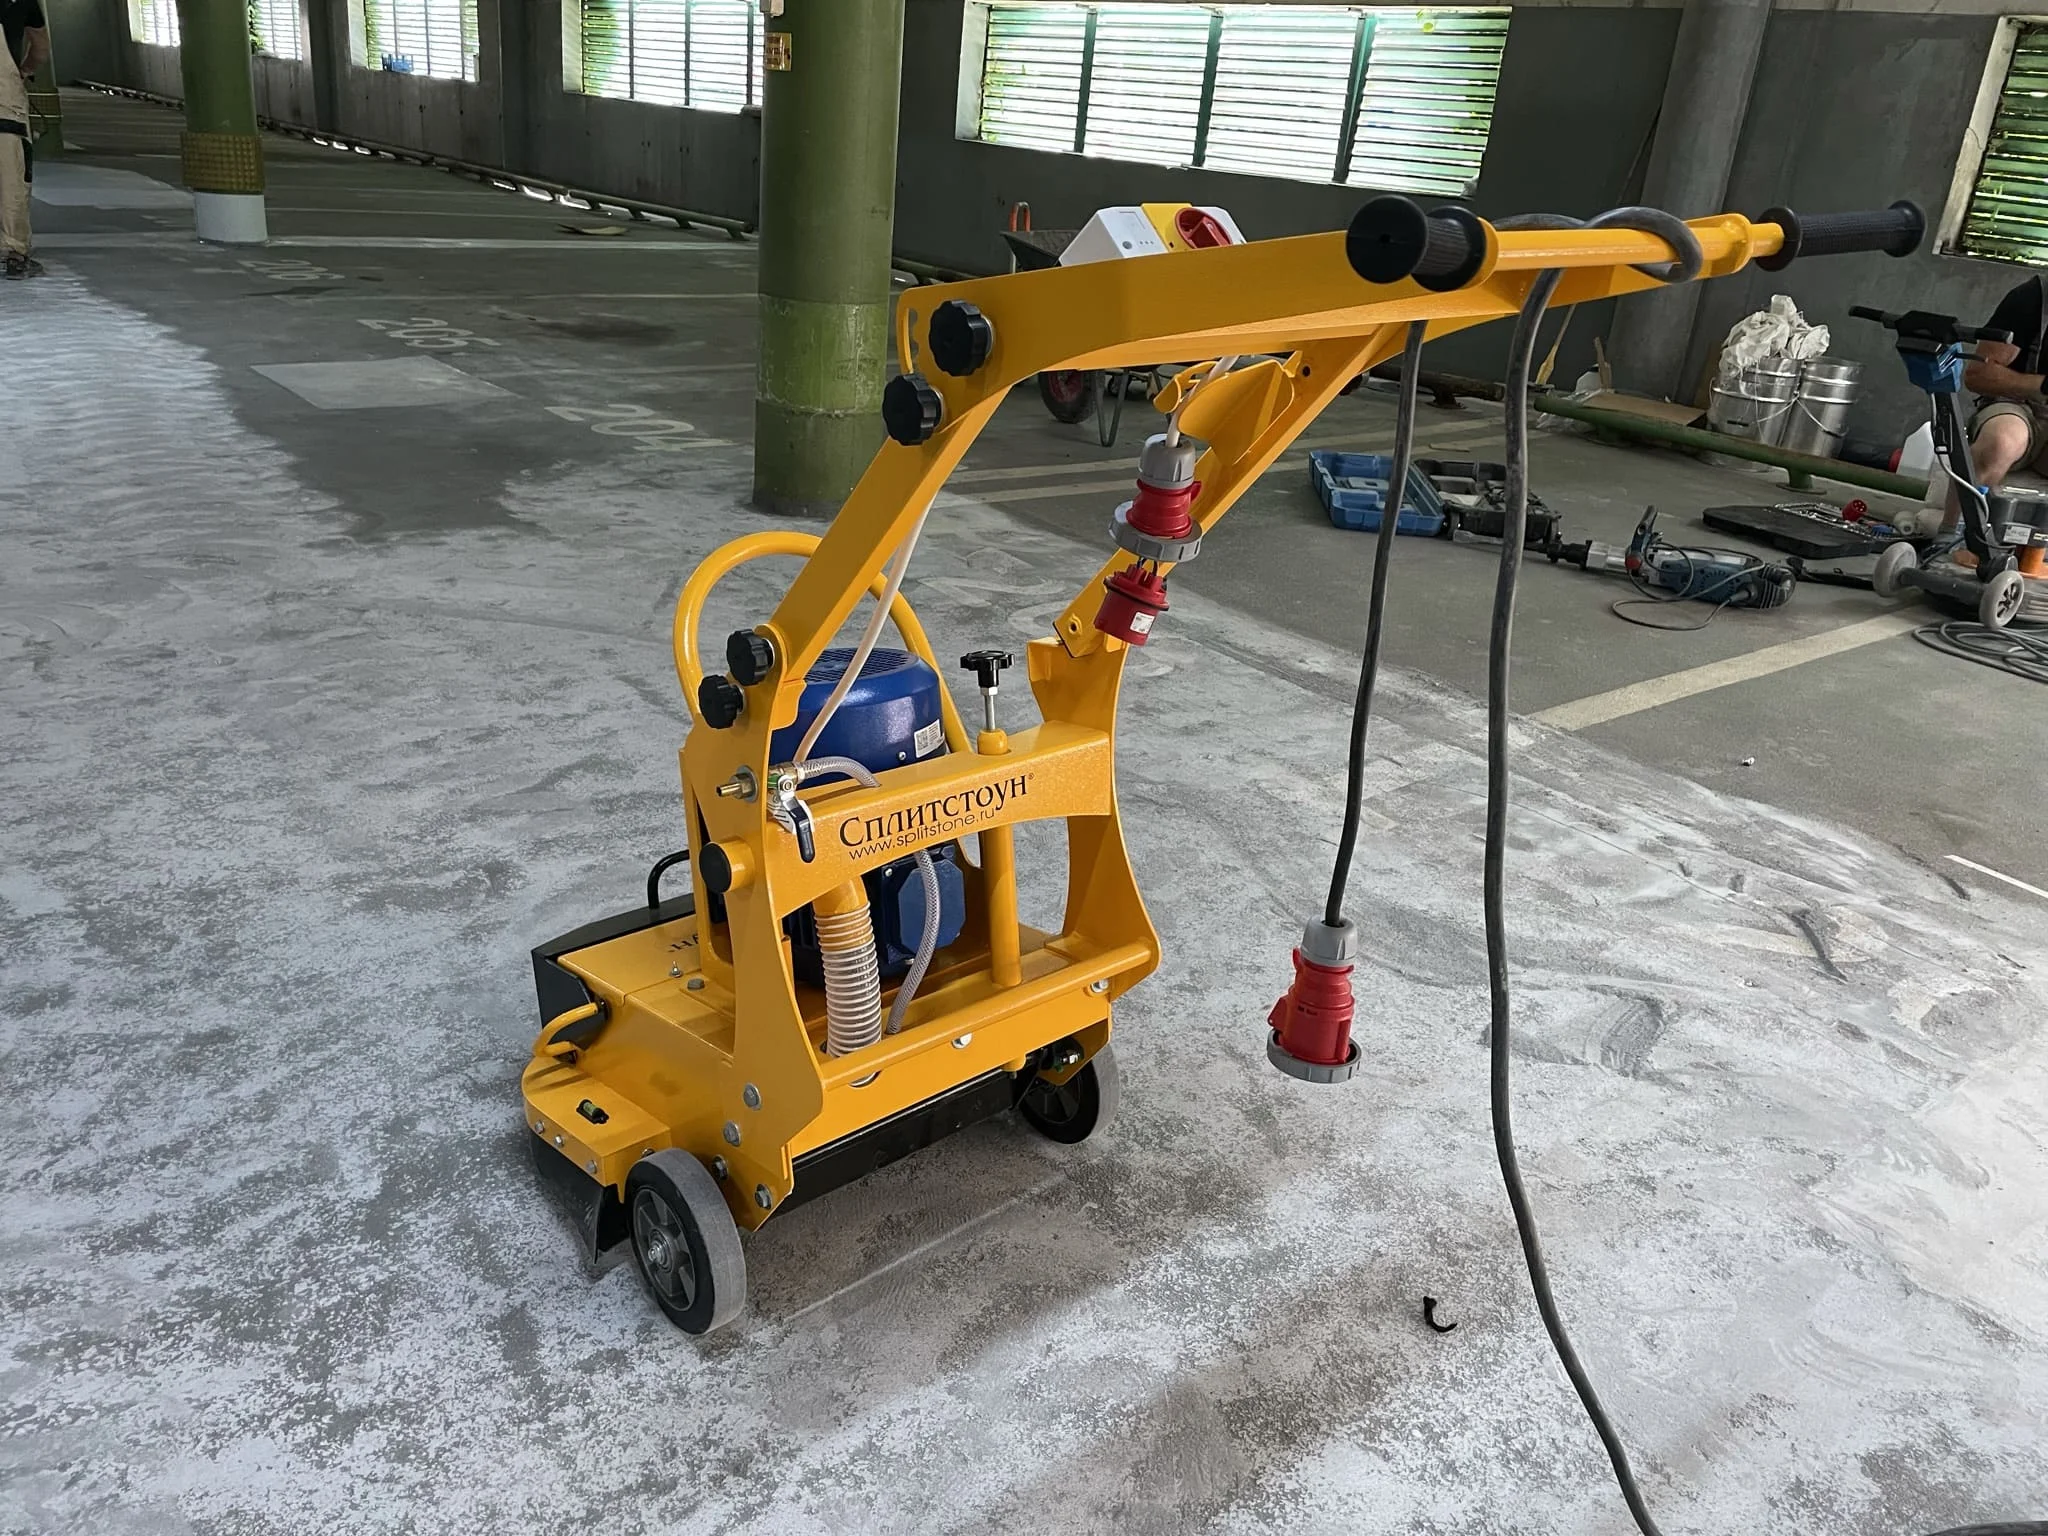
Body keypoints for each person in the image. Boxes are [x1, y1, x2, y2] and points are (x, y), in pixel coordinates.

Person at [1963, 272, 2048, 494]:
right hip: (2016, 406)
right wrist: (2041, 385)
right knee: (2001, 442)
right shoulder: (2033, 297)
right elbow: (1978, 375)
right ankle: (1956, 517)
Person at [0, 0, 46, 280]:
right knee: (12, 177)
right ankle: (15, 254)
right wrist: (25, 70)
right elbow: (40, 48)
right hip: (5, 102)